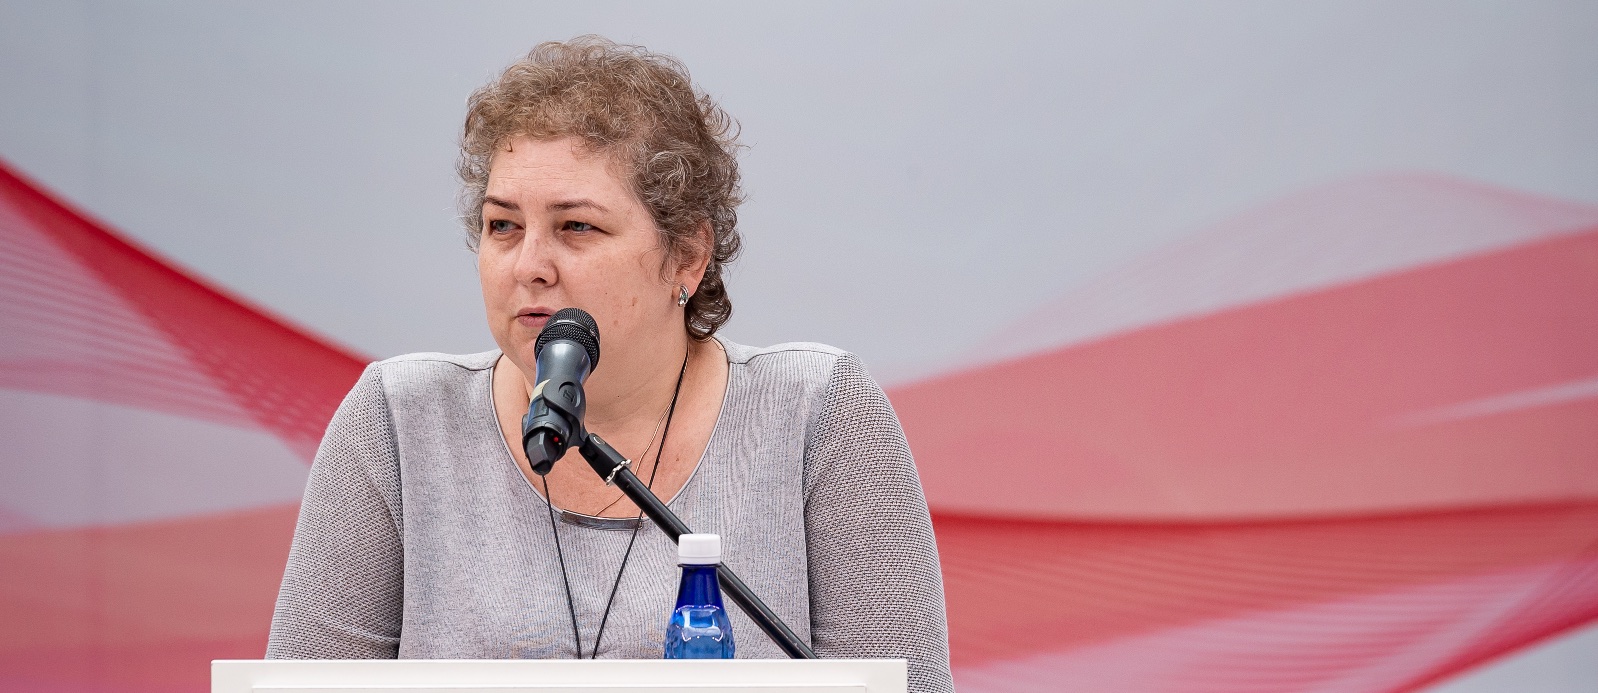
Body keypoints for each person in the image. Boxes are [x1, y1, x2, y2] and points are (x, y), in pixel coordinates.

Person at [266, 36, 953, 693]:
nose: (529, 266)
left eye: (576, 226)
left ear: (687, 255)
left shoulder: (817, 413)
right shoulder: (399, 420)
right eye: (503, 225)